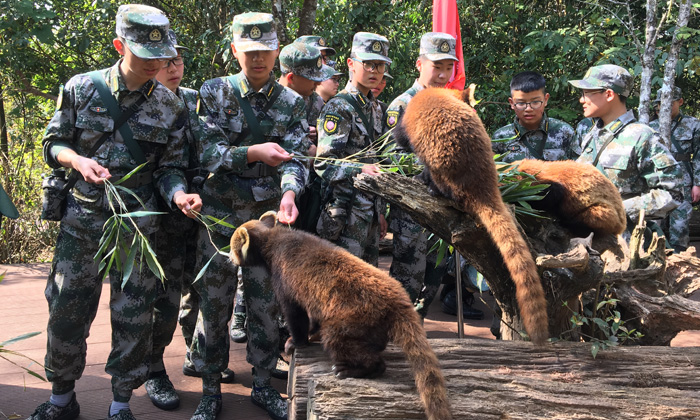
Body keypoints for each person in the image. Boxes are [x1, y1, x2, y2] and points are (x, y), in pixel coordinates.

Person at [29, 5, 201, 420]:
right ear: (119, 46)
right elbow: (53, 143)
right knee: (67, 311)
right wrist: (78, 162)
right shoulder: (81, 88)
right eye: (145, 55)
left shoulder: (171, 106)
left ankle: (121, 402)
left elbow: (170, 169)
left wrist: (179, 194)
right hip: (83, 221)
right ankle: (61, 399)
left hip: (137, 227)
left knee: (133, 317)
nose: (157, 64)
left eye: (163, 55)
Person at [193, 12, 308, 420]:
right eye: (250, 51)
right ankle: (210, 389)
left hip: (267, 222)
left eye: (266, 51)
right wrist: (253, 153)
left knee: (265, 303)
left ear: (277, 52)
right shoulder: (215, 91)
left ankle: (262, 384)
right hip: (221, 218)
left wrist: (291, 192)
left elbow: (297, 159)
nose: (258, 59)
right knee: (215, 304)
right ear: (234, 51)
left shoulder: (293, 102)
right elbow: (207, 152)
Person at [143, 30, 234, 412]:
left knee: (201, 295)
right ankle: (153, 369)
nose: (174, 67)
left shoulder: (197, 101)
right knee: (161, 301)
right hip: (157, 216)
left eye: (178, 59)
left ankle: (197, 356)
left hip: (199, 216)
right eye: (166, 61)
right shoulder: (140, 105)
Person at [569, 64, 684, 242]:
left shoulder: (641, 136)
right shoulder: (591, 135)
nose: (581, 100)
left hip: (626, 244)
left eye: (586, 93)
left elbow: (673, 192)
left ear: (609, 94)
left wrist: (618, 210)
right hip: (590, 240)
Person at [315, 32, 390, 265]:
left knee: (368, 284)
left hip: (370, 214)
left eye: (380, 65)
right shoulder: (339, 107)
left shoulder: (376, 108)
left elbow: (377, 159)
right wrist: (360, 169)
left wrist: (380, 212)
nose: (374, 71)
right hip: (344, 215)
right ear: (351, 63)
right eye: (368, 64)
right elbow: (324, 164)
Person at [649, 87, 700, 252]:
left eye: (669, 103)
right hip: (656, 182)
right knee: (654, 225)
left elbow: (699, 156)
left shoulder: (693, 125)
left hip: (683, 182)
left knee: (680, 225)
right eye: (660, 103)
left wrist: (697, 184)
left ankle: (680, 261)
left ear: (680, 102)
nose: (663, 107)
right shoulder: (649, 127)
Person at [492, 71, 576, 163]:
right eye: (521, 103)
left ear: (545, 99)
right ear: (512, 103)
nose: (528, 109)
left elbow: (578, 169)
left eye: (535, 102)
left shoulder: (564, 132)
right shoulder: (501, 137)